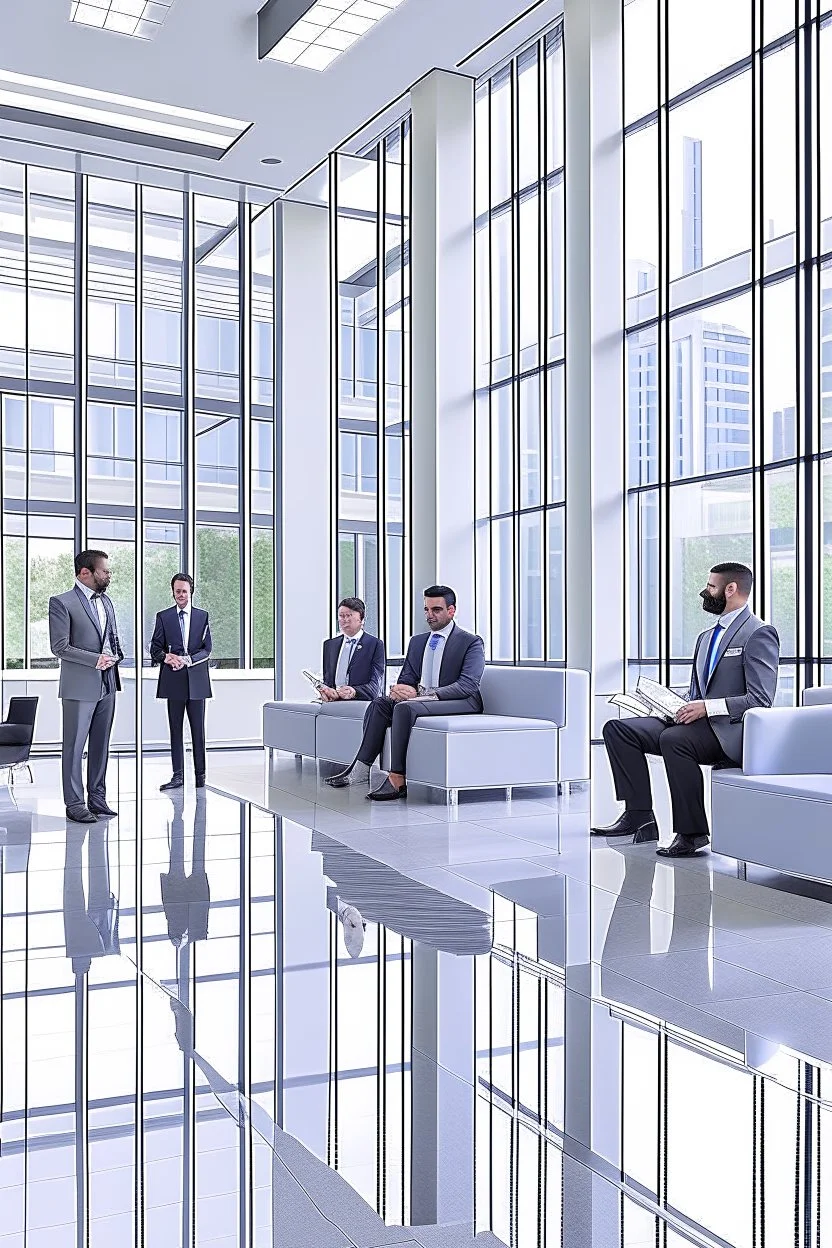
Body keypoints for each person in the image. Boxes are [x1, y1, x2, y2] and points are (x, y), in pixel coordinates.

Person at [592, 562, 780, 857]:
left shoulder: (759, 634)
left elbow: (760, 698)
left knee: (674, 740)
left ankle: (692, 834)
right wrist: (664, 703)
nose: (705, 591)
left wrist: (705, 707)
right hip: (694, 723)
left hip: (727, 732)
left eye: (711, 586)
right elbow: (697, 691)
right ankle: (639, 816)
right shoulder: (706, 638)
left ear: (731, 589)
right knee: (618, 729)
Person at [326, 585, 484, 801]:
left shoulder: (471, 642)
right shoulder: (417, 642)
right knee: (380, 704)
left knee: (404, 708)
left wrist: (422, 695)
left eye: (436, 610)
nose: (430, 615)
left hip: (460, 701)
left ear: (451, 610)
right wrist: (402, 689)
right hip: (422, 700)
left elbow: (468, 685)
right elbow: (407, 677)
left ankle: (397, 779)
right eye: (426, 610)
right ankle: (361, 768)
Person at [49, 550, 123, 824]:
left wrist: (116, 656)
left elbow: (110, 636)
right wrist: (95, 660)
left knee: (101, 744)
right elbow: (59, 647)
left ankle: (97, 797)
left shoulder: (107, 602)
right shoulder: (61, 602)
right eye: (104, 571)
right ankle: (75, 803)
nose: (108, 575)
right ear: (85, 573)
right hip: (79, 686)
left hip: (108, 683)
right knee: (74, 746)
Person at [150, 573, 213, 791]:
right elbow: (155, 648)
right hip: (173, 679)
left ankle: (200, 776)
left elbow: (207, 649)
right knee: (175, 729)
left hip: (197, 680)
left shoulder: (202, 616)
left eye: (184, 591)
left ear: (191, 592)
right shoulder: (164, 617)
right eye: (177, 591)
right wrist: (166, 657)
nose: (181, 595)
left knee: (198, 730)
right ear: (173, 592)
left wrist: (188, 660)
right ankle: (178, 777)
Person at [319, 597, 385, 702]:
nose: (345, 620)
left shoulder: (374, 644)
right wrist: (326, 691)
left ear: (361, 619)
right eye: (341, 616)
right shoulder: (330, 645)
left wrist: (354, 691)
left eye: (349, 615)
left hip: (360, 704)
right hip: (333, 704)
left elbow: (375, 686)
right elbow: (327, 680)